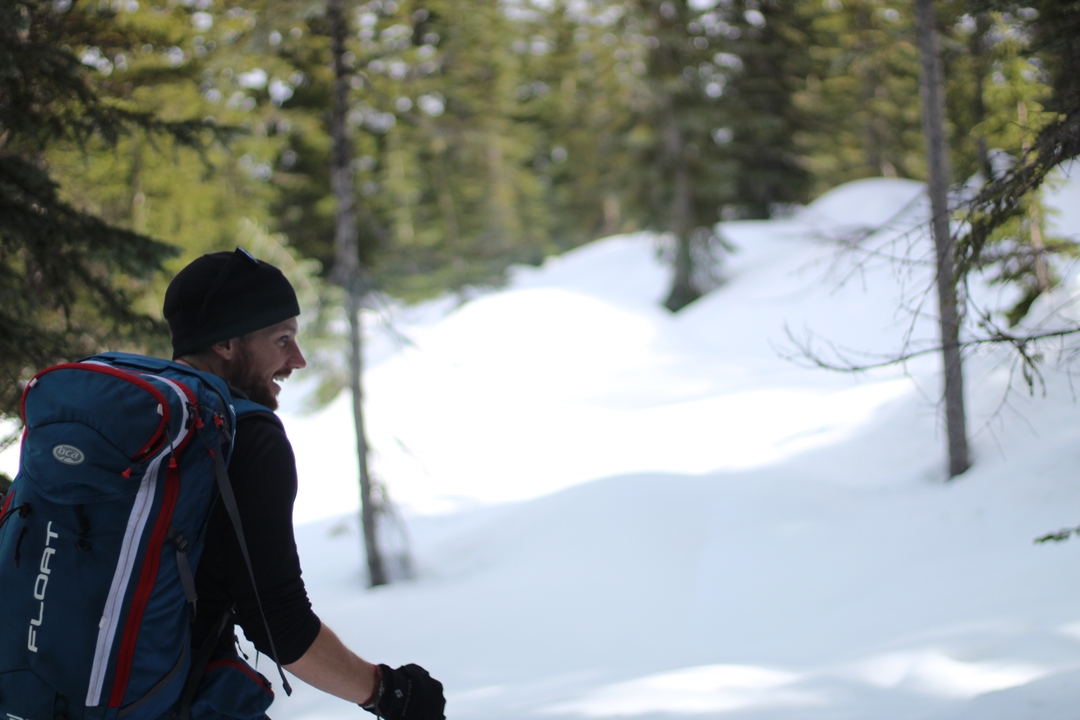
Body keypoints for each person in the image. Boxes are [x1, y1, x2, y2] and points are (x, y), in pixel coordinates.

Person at [163, 247, 445, 719]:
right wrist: (387, 692)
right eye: (282, 339)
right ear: (226, 344)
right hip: (170, 698)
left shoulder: (140, 416)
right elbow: (278, 621)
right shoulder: (245, 437)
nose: (298, 359)